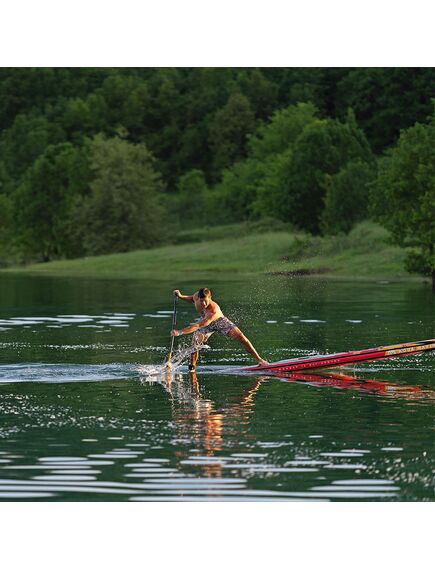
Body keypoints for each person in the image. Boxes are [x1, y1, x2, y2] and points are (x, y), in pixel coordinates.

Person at [170, 287, 268, 371]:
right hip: (204, 321)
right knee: (195, 343)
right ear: (198, 298)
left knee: (241, 337)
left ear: (210, 298)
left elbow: (197, 326)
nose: (203, 303)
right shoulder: (196, 296)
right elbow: (191, 299)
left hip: (219, 321)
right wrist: (180, 296)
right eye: (201, 301)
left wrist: (180, 332)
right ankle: (192, 369)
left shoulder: (213, 310)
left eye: (206, 301)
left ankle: (260, 361)